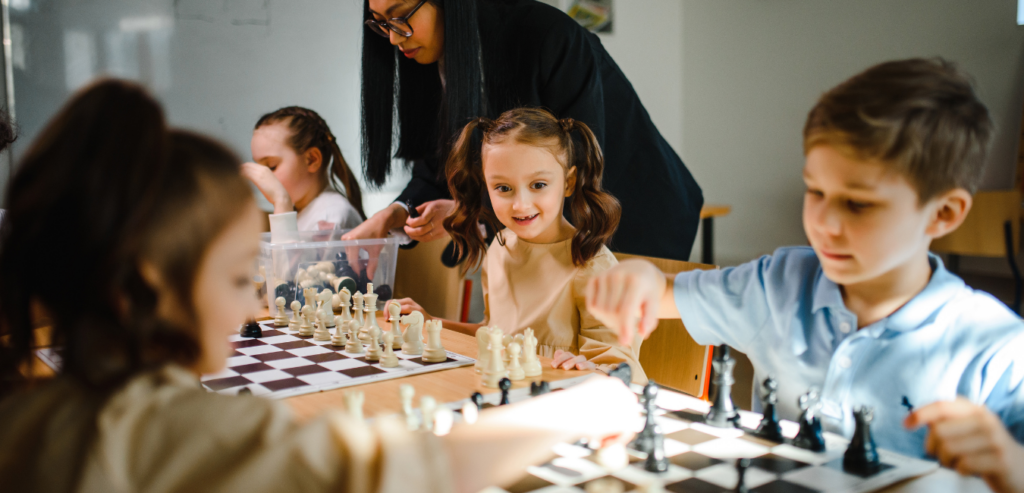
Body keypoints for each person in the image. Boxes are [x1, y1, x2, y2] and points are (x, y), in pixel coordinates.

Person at [0, 80, 639, 493]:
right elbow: (399, 470)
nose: (255, 300)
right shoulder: (175, 431)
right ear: (141, 290)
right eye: (235, 275)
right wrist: (582, 408)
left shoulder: (30, 415)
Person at [583, 59, 1024, 491]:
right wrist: (640, 279)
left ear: (943, 213)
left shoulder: (996, 348)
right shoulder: (778, 284)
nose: (823, 222)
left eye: (858, 203)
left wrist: (1013, 466)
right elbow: (663, 294)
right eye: (815, 191)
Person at [344, 0, 703, 263]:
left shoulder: (545, 36)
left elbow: (570, 171)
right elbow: (435, 167)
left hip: (630, 214)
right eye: (380, 23)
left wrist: (467, 211)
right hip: (554, 226)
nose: (393, 39)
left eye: (401, 17)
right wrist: (398, 212)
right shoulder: (424, 57)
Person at [394, 108, 645, 382]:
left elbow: (620, 368)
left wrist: (591, 368)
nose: (520, 204)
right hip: (506, 394)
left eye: (538, 184)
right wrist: (431, 320)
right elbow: (492, 333)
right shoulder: (499, 249)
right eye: (503, 188)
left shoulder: (592, 265)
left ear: (569, 182)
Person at [242, 106, 365, 233]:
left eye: (272, 166)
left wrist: (281, 200)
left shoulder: (331, 217)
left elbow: (285, 254)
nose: (263, 178)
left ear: (312, 160)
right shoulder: (302, 211)